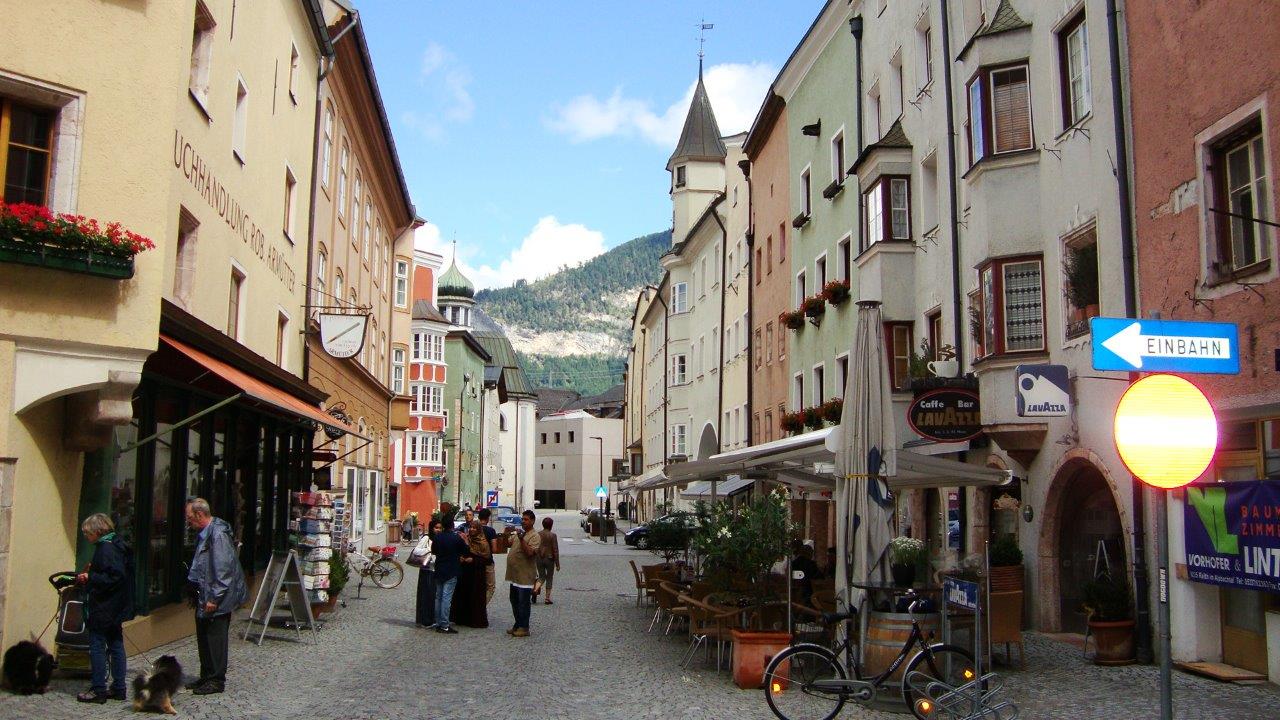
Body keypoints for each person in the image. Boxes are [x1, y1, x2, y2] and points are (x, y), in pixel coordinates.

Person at [185, 498, 247, 695]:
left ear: (199, 515)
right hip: (203, 594)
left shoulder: (218, 535)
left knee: (215, 638)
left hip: (215, 597)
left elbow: (223, 570)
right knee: (204, 637)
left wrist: (214, 598)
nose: (188, 522)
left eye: (190, 518)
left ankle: (216, 680)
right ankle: (206, 675)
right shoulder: (205, 534)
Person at [76, 513, 135, 704]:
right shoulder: (117, 544)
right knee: (116, 644)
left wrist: (90, 577)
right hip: (116, 606)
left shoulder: (106, 548)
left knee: (97, 646)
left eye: (88, 533)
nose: (86, 536)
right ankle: (119, 688)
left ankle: (98, 689)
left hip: (104, 606)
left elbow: (115, 577)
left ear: (98, 531)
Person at [503, 510, 541, 637]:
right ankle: (518, 624)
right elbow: (507, 543)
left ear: (532, 521)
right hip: (515, 575)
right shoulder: (520, 533)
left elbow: (530, 553)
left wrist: (521, 539)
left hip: (525, 576)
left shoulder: (535, 536)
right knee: (514, 600)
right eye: (522, 519)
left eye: (526, 519)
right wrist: (506, 534)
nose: (523, 521)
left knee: (523, 602)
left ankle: (524, 627)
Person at [430, 516, 468, 634]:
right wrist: (465, 541)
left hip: (439, 569)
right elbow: (465, 551)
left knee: (438, 597)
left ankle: (438, 622)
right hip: (451, 570)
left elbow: (434, 551)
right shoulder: (456, 538)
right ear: (452, 525)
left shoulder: (438, 537)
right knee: (446, 598)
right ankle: (445, 624)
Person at [450, 521, 490, 628]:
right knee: (463, 594)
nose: (471, 529)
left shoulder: (483, 543)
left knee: (475, 596)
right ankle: (462, 619)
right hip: (465, 572)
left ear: (479, 530)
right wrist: (461, 557)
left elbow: (486, 559)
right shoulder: (467, 539)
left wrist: (473, 560)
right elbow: (462, 551)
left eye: (474, 528)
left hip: (477, 574)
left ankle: (475, 620)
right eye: (471, 527)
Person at [413, 521, 440, 628]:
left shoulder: (440, 538)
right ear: (432, 528)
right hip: (427, 570)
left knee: (434, 595)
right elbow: (416, 551)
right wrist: (429, 549)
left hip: (436, 569)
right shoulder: (426, 538)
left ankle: (433, 618)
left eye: (440, 528)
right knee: (426, 595)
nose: (438, 530)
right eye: (436, 528)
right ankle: (425, 620)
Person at [533, 517, 560, 605]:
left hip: (539, 558)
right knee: (549, 577)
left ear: (543, 524)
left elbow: (535, 546)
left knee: (541, 576)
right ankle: (547, 598)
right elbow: (555, 550)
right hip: (549, 559)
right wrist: (557, 563)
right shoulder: (553, 535)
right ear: (551, 525)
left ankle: (535, 589)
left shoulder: (538, 534)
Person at [477, 508, 499, 604]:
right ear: (488, 518)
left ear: (479, 517)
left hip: (475, 562)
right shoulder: (491, 531)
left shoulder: (473, 529)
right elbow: (494, 549)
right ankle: (481, 606)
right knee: (490, 587)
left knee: (477, 586)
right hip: (487, 562)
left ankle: (476, 606)